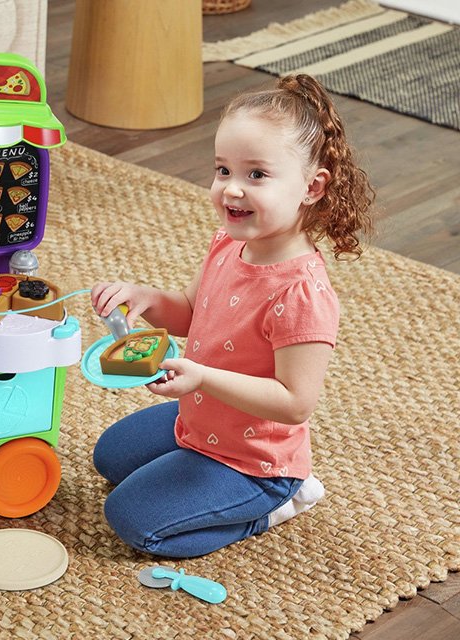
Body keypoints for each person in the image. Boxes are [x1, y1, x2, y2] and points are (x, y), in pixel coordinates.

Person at [90, 74, 375, 558]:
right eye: (223, 170)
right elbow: (192, 311)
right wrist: (145, 299)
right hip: (200, 421)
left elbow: (294, 403)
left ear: (312, 186)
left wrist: (200, 376)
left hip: (255, 460)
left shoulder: (302, 293)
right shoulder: (230, 244)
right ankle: (203, 475)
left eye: (256, 175)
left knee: (132, 520)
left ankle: (274, 505)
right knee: (109, 457)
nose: (231, 190)